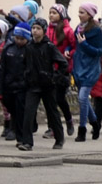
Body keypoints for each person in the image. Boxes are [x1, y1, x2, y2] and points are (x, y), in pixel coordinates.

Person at [18, 19, 68, 151]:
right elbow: (23, 64)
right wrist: (25, 77)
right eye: (33, 28)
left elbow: (63, 63)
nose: (35, 31)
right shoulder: (28, 46)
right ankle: (27, 142)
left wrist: (54, 78)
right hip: (33, 85)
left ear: (44, 30)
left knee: (52, 113)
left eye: (38, 28)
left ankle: (59, 138)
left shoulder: (49, 46)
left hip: (47, 86)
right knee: (28, 113)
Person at [72, 2, 102, 142]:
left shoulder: (96, 31)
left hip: (90, 69)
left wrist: (84, 44)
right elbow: (75, 47)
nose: (79, 15)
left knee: (82, 98)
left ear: (90, 15)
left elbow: (100, 51)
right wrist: (69, 50)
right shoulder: (78, 29)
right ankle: (95, 123)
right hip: (79, 67)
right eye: (79, 12)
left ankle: (82, 130)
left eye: (82, 12)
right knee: (84, 99)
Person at [0, 25, 32, 145]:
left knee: (20, 112)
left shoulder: (29, 50)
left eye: (22, 39)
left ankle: (20, 137)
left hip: (22, 87)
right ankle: (15, 129)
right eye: (17, 38)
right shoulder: (9, 49)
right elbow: (2, 68)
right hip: (8, 86)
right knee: (12, 109)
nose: (19, 41)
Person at [46, 4, 76, 137]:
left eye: (54, 13)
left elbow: (75, 47)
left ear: (61, 15)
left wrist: (69, 52)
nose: (51, 15)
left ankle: (69, 120)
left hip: (63, 69)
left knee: (59, 98)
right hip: (49, 69)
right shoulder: (47, 29)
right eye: (50, 12)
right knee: (49, 99)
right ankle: (52, 127)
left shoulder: (68, 30)